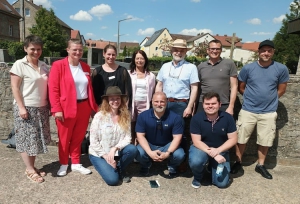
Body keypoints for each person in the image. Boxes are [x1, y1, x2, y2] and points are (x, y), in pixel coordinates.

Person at [231, 40, 289, 179]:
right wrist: (253, 98)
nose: (266, 53)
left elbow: (282, 89)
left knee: (265, 140)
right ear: (259, 52)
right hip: (248, 110)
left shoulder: (281, 69)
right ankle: (238, 162)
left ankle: (261, 165)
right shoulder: (248, 68)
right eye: (263, 50)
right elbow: (241, 87)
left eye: (269, 50)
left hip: (268, 112)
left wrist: (269, 99)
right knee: (241, 138)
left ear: (273, 52)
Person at [48, 39, 98, 177]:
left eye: (80, 50)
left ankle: (76, 162)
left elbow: (89, 88)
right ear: (68, 50)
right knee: (64, 138)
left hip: (84, 106)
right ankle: (64, 163)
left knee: (78, 137)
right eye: (74, 49)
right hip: (65, 107)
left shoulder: (85, 67)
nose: (77, 52)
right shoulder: (58, 66)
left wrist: (92, 107)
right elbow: (53, 89)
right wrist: (56, 108)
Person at [10, 35, 51, 183]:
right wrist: (21, 107)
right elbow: (14, 87)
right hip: (26, 107)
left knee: (34, 140)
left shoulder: (43, 65)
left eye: (38, 49)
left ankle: (32, 167)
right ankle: (29, 170)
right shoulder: (19, 64)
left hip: (41, 107)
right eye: (32, 49)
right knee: (26, 139)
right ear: (25, 48)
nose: (36, 52)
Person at [155, 39, 199, 171]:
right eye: (176, 50)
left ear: (185, 52)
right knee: (163, 130)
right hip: (165, 103)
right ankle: (164, 157)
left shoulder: (191, 67)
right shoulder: (165, 66)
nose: (178, 52)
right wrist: (156, 102)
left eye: (181, 50)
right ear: (171, 51)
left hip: (181, 104)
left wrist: (189, 106)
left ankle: (181, 161)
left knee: (182, 134)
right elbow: (159, 84)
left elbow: (194, 88)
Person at [89, 86, 137, 185]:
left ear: (121, 100)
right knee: (113, 180)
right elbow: (93, 141)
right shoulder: (99, 116)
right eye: (112, 99)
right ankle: (110, 167)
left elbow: (128, 138)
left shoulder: (126, 115)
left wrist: (115, 148)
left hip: (115, 152)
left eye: (118, 98)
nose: (115, 101)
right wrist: (106, 157)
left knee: (132, 149)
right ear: (107, 101)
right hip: (99, 154)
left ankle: (119, 167)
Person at [189, 92, 237, 188]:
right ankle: (198, 177)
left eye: (213, 103)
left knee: (222, 184)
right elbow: (196, 141)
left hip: (221, 151)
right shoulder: (196, 119)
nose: (210, 106)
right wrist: (213, 153)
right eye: (207, 104)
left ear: (219, 104)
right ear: (203, 105)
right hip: (201, 149)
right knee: (196, 161)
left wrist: (217, 151)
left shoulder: (228, 118)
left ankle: (211, 167)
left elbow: (233, 139)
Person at [135, 92, 185, 178]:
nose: (159, 104)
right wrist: (150, 152)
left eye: (162, 102)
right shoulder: (143, 116)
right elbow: (140, 136)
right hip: (149, 144)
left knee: (180, 155)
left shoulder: (175, 117)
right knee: (137, 151)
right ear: (152, 102)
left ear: (166, 102)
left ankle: (172, 165)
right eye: (156, 101)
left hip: (167, 145)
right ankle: (146, 164)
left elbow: (177, 138)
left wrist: (168, 153)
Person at [196, 39, 238, 115]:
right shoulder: (201, 66)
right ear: (208, 50)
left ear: (221, 50)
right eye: (212, 49)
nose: (215, 51)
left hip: (223, 103)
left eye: (217, 49)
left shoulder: (229, 64)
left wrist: (231, 106)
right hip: (204, 103)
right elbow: (197, 88)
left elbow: (234, 86)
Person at [128, 50, 156, 144]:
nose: (139, 60)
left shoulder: (151, 76)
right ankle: (131, 148)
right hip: (131, 105)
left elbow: (153, 91)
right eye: (137, 58)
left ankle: (141, 148)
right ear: (134, 60)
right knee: (131, 127)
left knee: (142, 128)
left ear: (145, 60)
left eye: (142, 58)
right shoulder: (129, 74)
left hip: (145, 105)